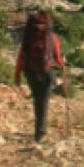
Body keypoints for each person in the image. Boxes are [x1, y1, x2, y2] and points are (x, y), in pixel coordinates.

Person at [13, 11, 67, 143]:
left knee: (37, 100)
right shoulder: (52, 37)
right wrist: (63, 67)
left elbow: (21, 57)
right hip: (46, 72)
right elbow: (58, 58)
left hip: (30, 72)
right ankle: (40, 133)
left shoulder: (28, 38)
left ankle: (39, 132)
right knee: (44, 101)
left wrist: (17, 75)